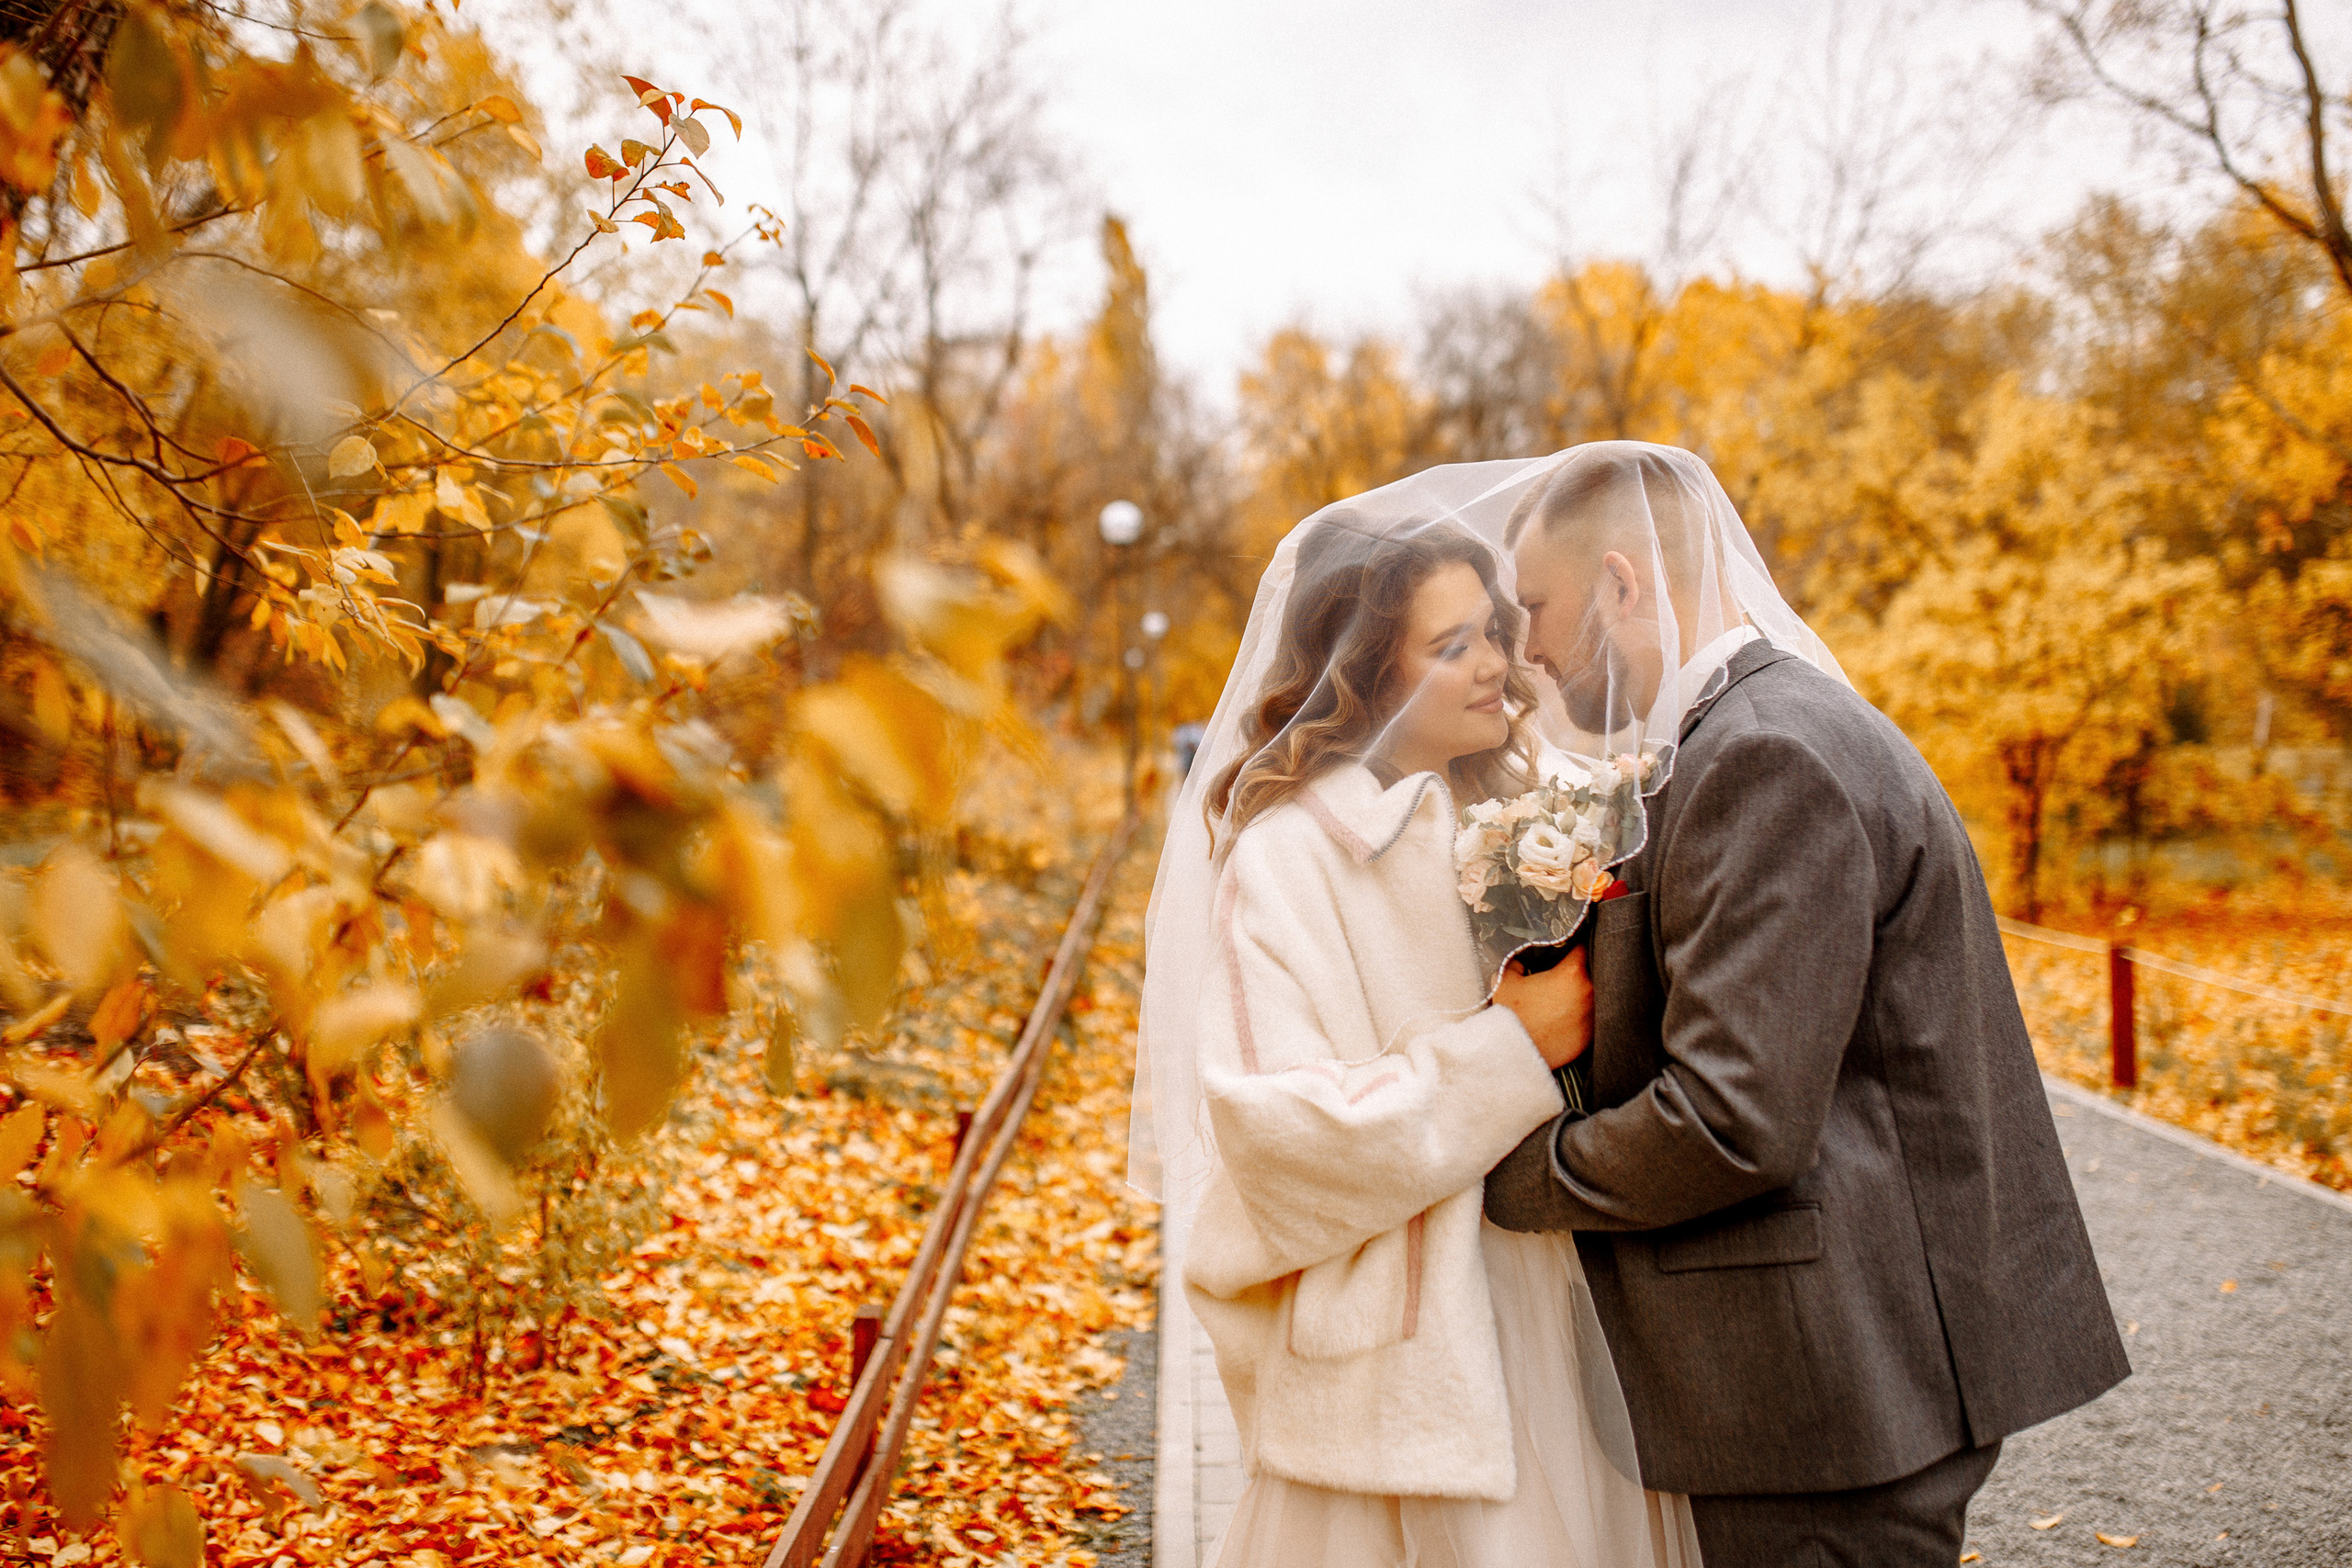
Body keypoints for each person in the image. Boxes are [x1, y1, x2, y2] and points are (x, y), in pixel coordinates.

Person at [1482, 442, 2131, 1566]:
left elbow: (1735, 1117)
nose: (1527, 646)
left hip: (1825, 1398)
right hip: (1829, 1383)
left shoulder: (1764, 756)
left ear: (1623, 584)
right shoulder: (1751, 736)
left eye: (1537, 605)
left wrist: (1513, 1177)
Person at [1136, 491, 1702, 1567]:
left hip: (1565, 1320)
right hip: (1401, 1372)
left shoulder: (1539, 813)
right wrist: (1508, 1050)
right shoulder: (1289, 859)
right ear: (1371, 675)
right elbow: (1277, 1134)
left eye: (1492, 629)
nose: (1497, 661)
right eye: (1452, 646)